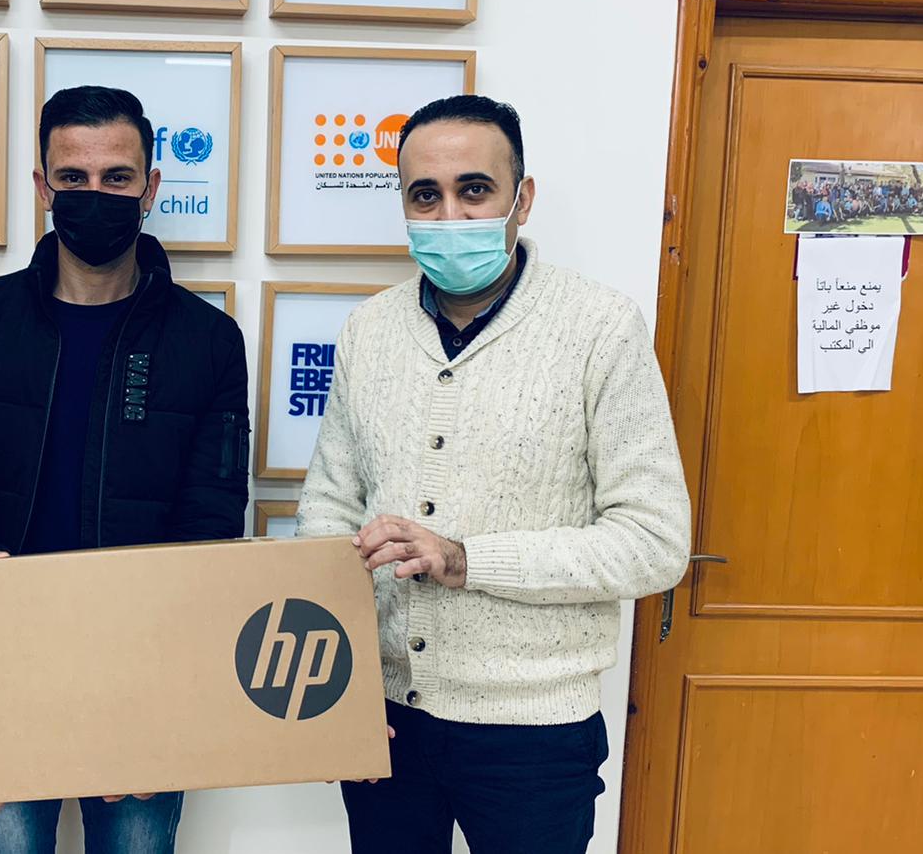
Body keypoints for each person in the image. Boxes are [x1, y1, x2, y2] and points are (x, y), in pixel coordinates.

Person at [296, 95, 691, 854]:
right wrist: (340, 686)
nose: (449, 215)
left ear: (522, 197)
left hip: (534, 736)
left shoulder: (599, 328)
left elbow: (654, 542)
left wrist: (467, 559)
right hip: (385, 719)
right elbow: (328, 509)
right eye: (425, 195)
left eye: (473, 190)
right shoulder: (369, 329)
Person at [0, 85, 250, 853]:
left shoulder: (209, 340)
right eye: (74, 178)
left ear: (150, 188)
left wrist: (170, 671)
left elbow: (213, 514)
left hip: (144, 674)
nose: (95, 195)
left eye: (117, 178)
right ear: (43, 187)